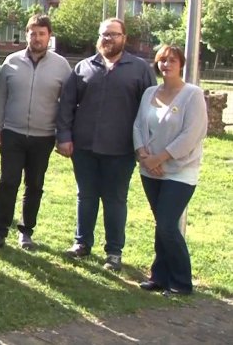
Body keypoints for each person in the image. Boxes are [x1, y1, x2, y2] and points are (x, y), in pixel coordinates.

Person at [56, 17, 156, 271]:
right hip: (84, 147)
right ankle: (82, 243)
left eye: (113, 34)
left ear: (124, 38)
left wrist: (145, 144)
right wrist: (64, 136)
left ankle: (113, 252)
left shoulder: (140, 69)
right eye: (104, 34)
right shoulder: (84, 67)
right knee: (86, 196)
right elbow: (67, 104)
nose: (108, 38)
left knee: (115, 200)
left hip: (121, 149)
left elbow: (149, 111)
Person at [0, 15, 71, 250]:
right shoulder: (11, 62)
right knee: (8, 182)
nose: (37, 38)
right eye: (33, 33)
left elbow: (67, 103)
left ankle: (26, 232)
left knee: (34, 185)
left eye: (42, 34)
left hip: (44, 135)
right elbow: (0, 97)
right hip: (12, 132)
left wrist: (63, 133)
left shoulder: (61, 66)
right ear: (26, 35)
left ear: (49, 36)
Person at [133, 45, 207, 295]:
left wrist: (160, 158)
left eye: (172, 60)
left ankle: (182, 282)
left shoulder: (192, 95)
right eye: (162, 60)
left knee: (166, 224)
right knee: (161, 224)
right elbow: (138, 126)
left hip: (179, 171)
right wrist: (144, 155)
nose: (167, 65)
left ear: (181, 64)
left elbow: (191, 134)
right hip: (150, 170)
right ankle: (160, 276)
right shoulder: (150, 92)